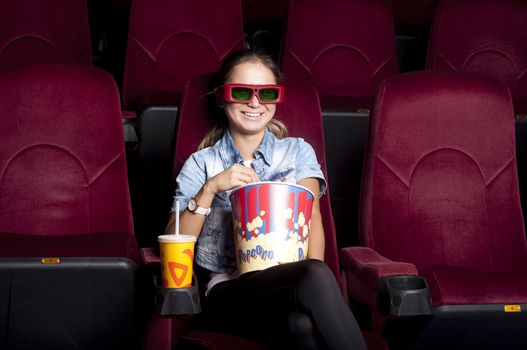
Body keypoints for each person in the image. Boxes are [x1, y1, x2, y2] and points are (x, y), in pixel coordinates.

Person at [165, 48, 367, 350]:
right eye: (242, 91)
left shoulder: (298, 151)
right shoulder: (201, 163)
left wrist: (312, 287)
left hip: (290, 287)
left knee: (300, 321)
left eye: (267, 93)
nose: (255, 103)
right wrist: (210, 189)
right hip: (228, 293)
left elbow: (311, 218)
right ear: (222, 97)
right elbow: (173, 241)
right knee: (312, 275)